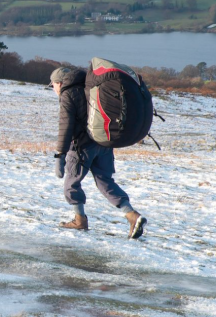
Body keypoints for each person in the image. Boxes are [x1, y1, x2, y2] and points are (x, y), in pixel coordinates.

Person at [50, 66, 146, 238]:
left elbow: (65, 126)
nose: (53, 89)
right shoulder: (91, 87)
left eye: (53, 85)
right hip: (104, 144)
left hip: (82, 147)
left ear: (59, 83)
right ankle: (132, 216)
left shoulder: (68, 94)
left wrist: (60, 154)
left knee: (71, 183)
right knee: (105, 182)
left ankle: (80, 220)